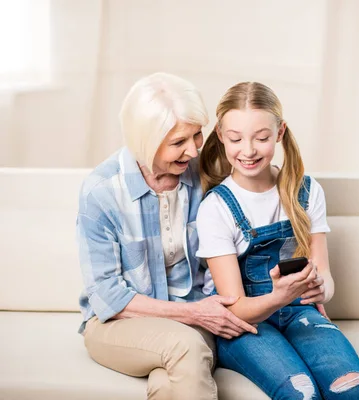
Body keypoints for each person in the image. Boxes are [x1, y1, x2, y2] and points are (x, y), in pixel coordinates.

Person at [76, 72, 257, 400]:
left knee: (172, 377)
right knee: (185, 346)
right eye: (177, 143)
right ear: (144, 141)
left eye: (196, 136)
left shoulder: (204, 174)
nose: (192, 150)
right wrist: (192, 314)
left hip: (193, 317)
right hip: (118, 324)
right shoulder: (101, 191)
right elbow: (107, 295)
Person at [196, 81, 359, 399]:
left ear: (279, 133)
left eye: (261, 138)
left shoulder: (306, 191)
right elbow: (235, 308)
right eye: (236, 139)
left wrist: (320, 287)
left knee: (350, 385)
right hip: (247, 323)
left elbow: (325, 277)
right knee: (300, 392)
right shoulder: (216, 207)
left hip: (299, 311)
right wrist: (279, 296)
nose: (248, 150)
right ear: (221, 136)